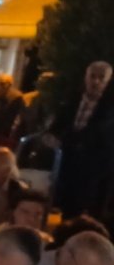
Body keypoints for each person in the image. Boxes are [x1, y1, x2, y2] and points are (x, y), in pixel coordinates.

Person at [49, 61, 114, 217]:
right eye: (92, 76)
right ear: (86, 78)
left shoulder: (110, 106)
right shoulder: (73, 99)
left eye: (101, 77)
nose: (95, 81)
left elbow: (103, 134)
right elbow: (60, 122)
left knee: (92, 210)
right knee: (68, 208)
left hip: (96, 167)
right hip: (69, 162)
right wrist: (51, 134)